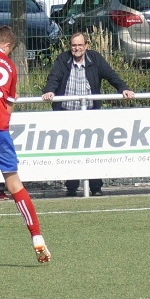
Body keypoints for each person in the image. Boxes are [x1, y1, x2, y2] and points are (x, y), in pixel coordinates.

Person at [0, 26, 52, 263]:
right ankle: (36, 235)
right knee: (13, 182)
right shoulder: (10, 67)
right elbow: (9, 105)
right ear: (8, 46)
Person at [41, 32, 135, 197]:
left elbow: (111, 75)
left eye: (80, 45)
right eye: (73, 45)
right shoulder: (63, 59)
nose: (76, 48)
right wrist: (49, 91)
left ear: (86, 45)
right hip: (67, 113)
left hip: (90, 114)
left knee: (93, 151)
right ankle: (71, 187)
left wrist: (123, 88)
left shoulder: (95, 58)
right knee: (70, 152)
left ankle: (96, 187)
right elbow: (54, 77)